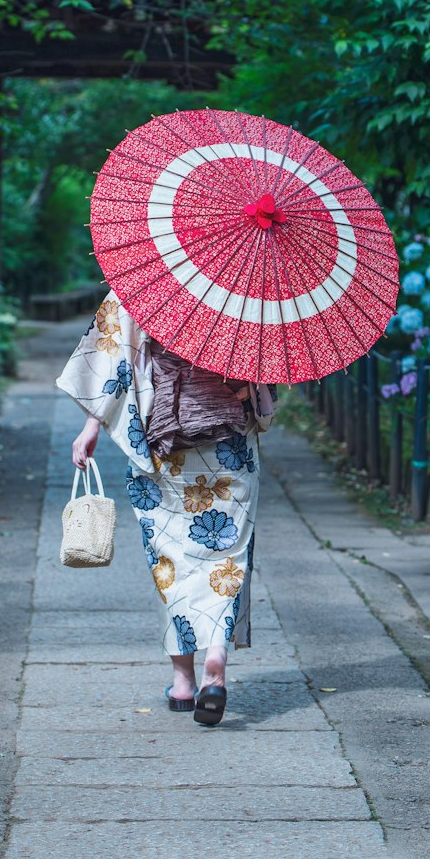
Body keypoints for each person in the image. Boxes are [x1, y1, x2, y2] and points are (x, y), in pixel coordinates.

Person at [57, 291, 276, 726]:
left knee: (170, 557)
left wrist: (91, 426)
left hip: (164, 441)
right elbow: (267, 381)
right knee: (227, 556)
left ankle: (182, 682)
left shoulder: (143, 282)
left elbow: (113, 358)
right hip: (229, 439)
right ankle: (217, 654)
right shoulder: (254, 292)